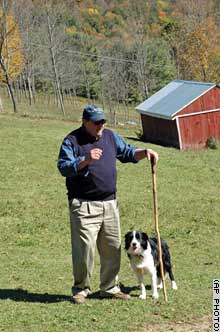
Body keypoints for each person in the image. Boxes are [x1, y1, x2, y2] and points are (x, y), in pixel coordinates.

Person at [57, 104, 159, 304]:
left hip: (110, 203)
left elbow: (127, 152)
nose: (101, 125)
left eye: (103, 121)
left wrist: (144, 152)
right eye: (96, 122)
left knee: (113, 247)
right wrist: (85, 159)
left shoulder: (110, 137)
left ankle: (110, 287)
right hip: (84, 204)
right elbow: (63, 168)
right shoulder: (72, 140)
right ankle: (81, 289)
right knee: (84, 249)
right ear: (85, 121)